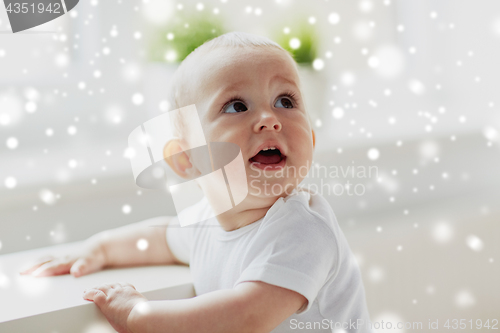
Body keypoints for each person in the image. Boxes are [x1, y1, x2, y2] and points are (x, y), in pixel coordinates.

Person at [21, 31, 374, 333]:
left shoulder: (303, 229)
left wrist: (139, 315)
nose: (269, 119)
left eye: (285, 101)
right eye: (237, 106)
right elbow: (161, 238)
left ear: (310, 141)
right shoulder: (208, 221)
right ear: (186, 159)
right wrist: (100, 249)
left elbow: (245, 317)